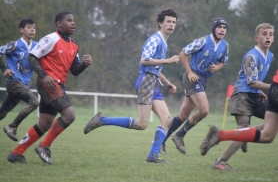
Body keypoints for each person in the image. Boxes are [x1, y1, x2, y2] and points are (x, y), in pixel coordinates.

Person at [84, 8, 180, 163]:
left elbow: (155, 67)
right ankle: (102, 120)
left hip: (154, 82)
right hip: (146, 82)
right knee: (142, 124)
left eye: (174, 22)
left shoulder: (164, 42)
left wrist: (167, 82)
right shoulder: (155, 39)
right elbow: (144, 60)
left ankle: (153, 156)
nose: (171, 25)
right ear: (160, 23)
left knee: (167, 119)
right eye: (168, 21)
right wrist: (168, 61)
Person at [7, 12, 92, 164]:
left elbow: (75, 71)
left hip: (59, 85)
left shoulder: (74, 45)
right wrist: (44, 76)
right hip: (49, 84)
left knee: (45, 123)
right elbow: (32, 57)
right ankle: (44, 146)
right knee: (70, 115)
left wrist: (84, 64)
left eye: (74, 20)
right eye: (69, 20)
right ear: (59, 24)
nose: (73, 23)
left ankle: (16, 153)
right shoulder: (51, 38)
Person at [207, 23, 274, 171]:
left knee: (272, 121)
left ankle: (247, 136)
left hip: (255, 96)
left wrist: (261, 90)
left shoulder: (270, 55)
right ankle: (220, 161)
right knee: (244, 129)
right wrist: (272, 87)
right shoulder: (251, 56)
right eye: (264, 34)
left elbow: (257, 81)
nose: (268, 37)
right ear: (257, 38)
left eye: (270, 34)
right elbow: (251, 81)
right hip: (241, 95)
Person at [160, 17, 229, 154]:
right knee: (204, 110)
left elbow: (224, 61)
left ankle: (160, 142)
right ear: (214, 28)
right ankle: (179, 135)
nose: (222, 30)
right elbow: (183, 53)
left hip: (203, 80)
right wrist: (190, 72)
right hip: (193, 77)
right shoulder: (203, 41)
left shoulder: (225, 45)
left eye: (224, 28)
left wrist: (217, 67)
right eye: (219, 27)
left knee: (183, 114)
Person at [200, 71, 278, 157]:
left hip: (274, 87)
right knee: (266, 134)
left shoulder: (268, 57)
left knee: (267, 135)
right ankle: (221, 158)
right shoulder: (252, 57)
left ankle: (222, 135)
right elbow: (251, 81)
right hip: (265, 90)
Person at [0, 19, 39, 142]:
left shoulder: (37, 46)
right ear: (21, 30)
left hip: (23, 85)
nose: (32, 29)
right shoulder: (14, 45)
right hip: (14, 83)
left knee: (2, 114)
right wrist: (4, 69)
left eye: (34, 27)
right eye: (29, 27)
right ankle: (12, 127)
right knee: (34, 102)